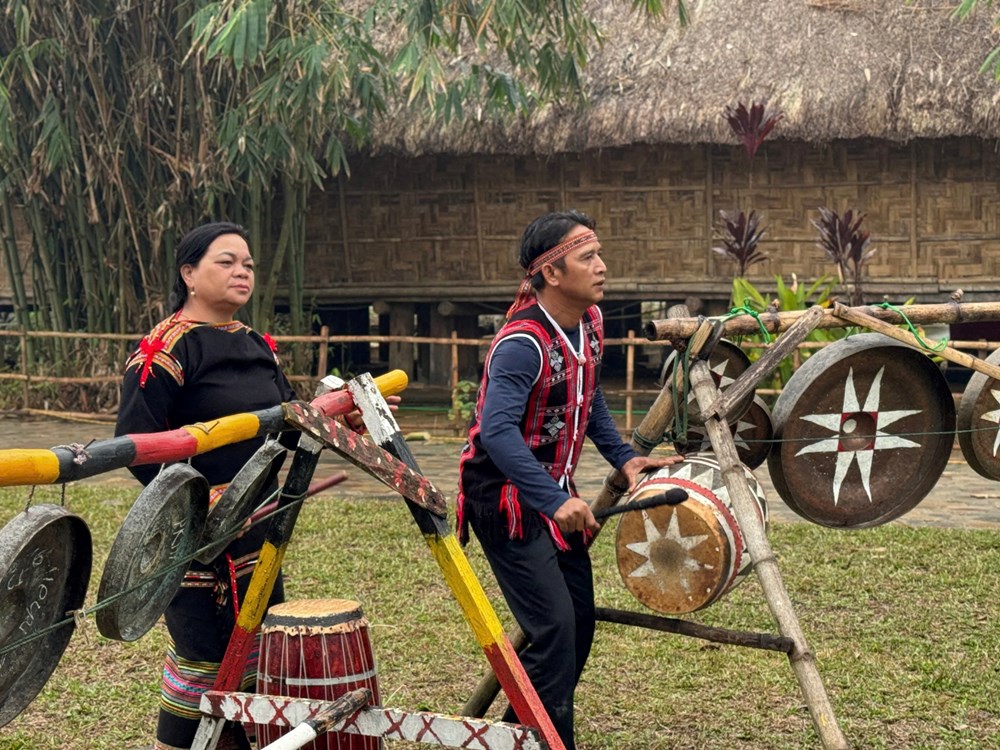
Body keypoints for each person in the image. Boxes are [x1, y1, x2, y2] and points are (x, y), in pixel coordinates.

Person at [456, 210, 682, 749]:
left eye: (599, 254)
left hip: (552, 494)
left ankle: (518, 733)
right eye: (588, 257)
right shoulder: (521, 343)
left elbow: (591, 397)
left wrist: (624, 458)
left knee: (577, 625)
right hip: (506, 500)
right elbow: (496, 432)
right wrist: (553, 500)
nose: (602, 267)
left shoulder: (590, 325)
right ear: (552, 274)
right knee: (554, 630)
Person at [115, 222, 297, 750]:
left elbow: (287, 419)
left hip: (257, 529)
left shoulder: (257, 344)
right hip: (192, 537)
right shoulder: (165, 348)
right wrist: (201, 498)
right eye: (227, 261)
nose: (242, 271)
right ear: (189, 273)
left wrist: (341, 421)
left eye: (249, 264)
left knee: (255, 657)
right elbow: (136, 444)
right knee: (202, 662)